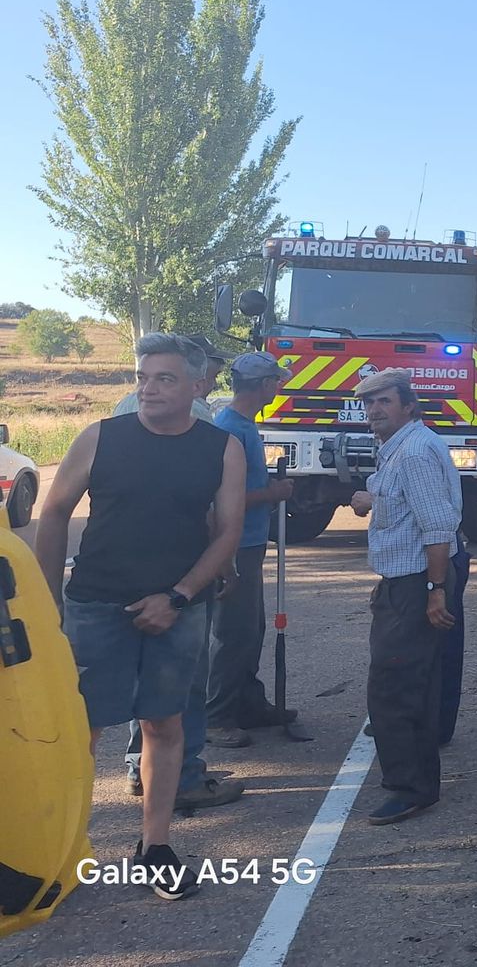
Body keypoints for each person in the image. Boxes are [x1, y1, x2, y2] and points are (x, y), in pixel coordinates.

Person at [36, 333, 245, 900]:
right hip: (95, 605)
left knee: (164, 724)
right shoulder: (100, 437)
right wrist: (49, 600)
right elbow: (53, 513)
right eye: (144, 377)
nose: (148, 389)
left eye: (165, 379)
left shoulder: (221, 448)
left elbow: (227, 532)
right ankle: (66, 847)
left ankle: (154, 847)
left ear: (198, 387)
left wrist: (178, 596)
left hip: (179, 610)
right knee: (80, 730)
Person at [117, 334, 242, 810]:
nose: (210, 377)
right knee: (182, 678)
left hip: (129, 560)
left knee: (143, 675)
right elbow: (209, 506)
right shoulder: (201, 422)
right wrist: (223, 564)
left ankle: (138, 767)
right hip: (183, 567)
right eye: (209, 367)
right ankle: (183, 776)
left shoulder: (126, 404)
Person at [348, 369, 459, 825]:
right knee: (415, 681)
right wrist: (370, 497)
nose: (374, 410)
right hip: (407, 580)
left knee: (394, 687)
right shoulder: (402, 448)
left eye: (384, 402)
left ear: (409, 406)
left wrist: (435, 592)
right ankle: (415, 779)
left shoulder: (412, 453)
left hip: (416, 582)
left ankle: (409, 788)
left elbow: (437, 527)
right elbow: (401, 500)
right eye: (369, 403)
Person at [207, 353, 298, 745]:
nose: (278, 388)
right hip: (236, 543)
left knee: (251, 627)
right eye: (275, 382)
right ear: (263, 386)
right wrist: (273, 494)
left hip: (250, 540)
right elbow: (226, 497)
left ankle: (247, 702)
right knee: (233, 630)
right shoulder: (231, 430)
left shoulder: (242, 426)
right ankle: (216, 716)